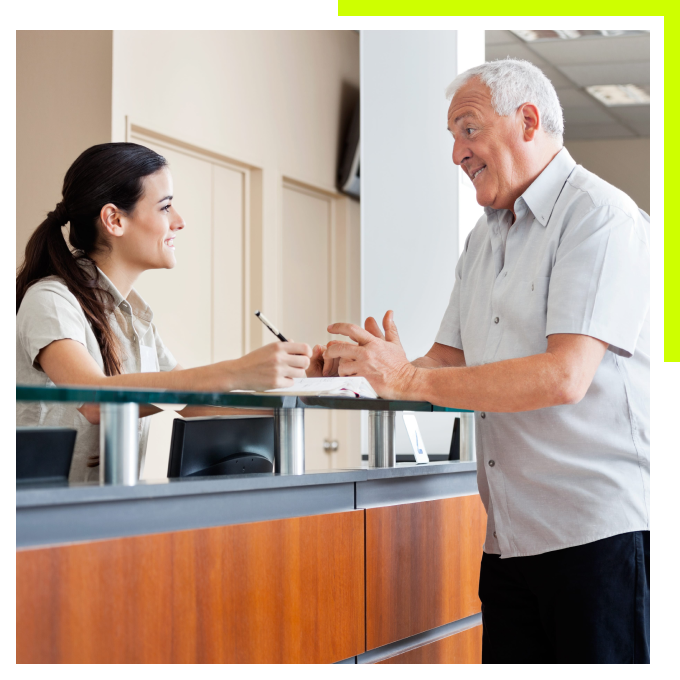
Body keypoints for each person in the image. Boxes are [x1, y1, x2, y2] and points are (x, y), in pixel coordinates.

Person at [322, 59, 650, 664]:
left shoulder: (600, 218)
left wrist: (407, 379)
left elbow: (564, 376)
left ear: (527, 121)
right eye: (452, 136)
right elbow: (444, 361)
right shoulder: (484, 237)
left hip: (597, 536)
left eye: (467, 130)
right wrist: (366, 370)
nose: (456, 154)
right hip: (508, 541)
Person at [16, 143, 315, 482]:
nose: (180, 221)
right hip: (37, 521)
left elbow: (192, 403)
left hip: (103, 511)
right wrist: (236, 371)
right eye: (165, 207)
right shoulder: (51, 300)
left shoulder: (135, 317)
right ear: (114, 219)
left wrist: (305, 386)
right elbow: (95, 401)